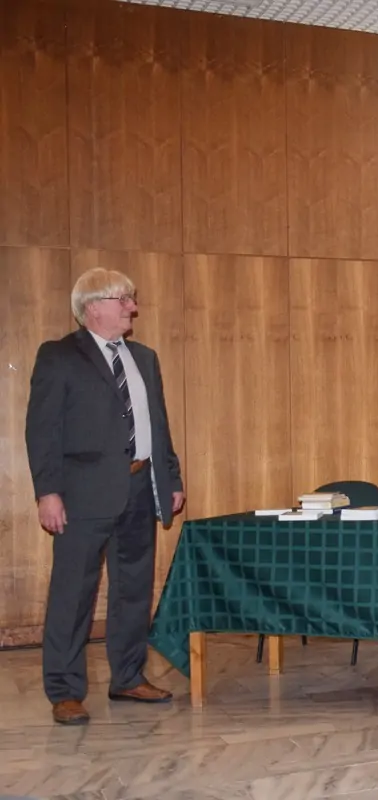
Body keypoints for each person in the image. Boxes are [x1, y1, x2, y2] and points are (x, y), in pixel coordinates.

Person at [25, 268, 185, 725]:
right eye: (124, 299)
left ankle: (128, 677)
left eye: (131, 299)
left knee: (133, 590)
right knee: (73, 594)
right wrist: (47, 492)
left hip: (140, 488)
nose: (133, 307)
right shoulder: (59, 356)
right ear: (93, 306)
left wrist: (170, 478)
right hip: (82, 495)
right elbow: (42, 430)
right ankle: (65, 691)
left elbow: (158, 424)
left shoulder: (145, 358)